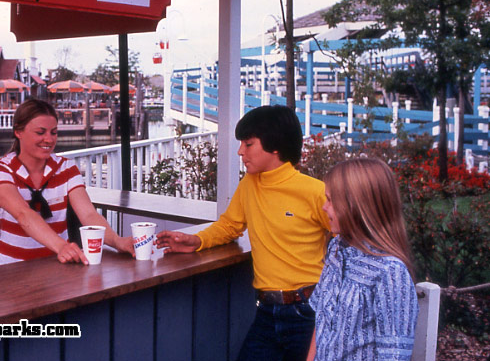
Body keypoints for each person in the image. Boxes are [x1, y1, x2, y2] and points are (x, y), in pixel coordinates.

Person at [155, 105, 331, 361]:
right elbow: (230, 225)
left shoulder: (314, 191)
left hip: (308, 313)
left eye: (248, 144)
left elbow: (349, 239)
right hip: (266, 312)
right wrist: (197, 240)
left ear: (275, 147)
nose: (240, 152)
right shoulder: (250, 184)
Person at [0, 98, 134, 266]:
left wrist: (117, 241)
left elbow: (88, 214)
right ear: (18, 132)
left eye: (54, 132)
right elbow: (23, 214)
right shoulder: (0, 170)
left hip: (57, 268)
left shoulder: (66, 168)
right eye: (40, 132)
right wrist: (62, 247)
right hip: (10, 269)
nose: (49, 140)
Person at [307, 158, 419, 361]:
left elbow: (393, 356)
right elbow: (321, 321)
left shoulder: (390, 273)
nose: (324, 207)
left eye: (330, 200)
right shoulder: (336, 249)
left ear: (356, 206)